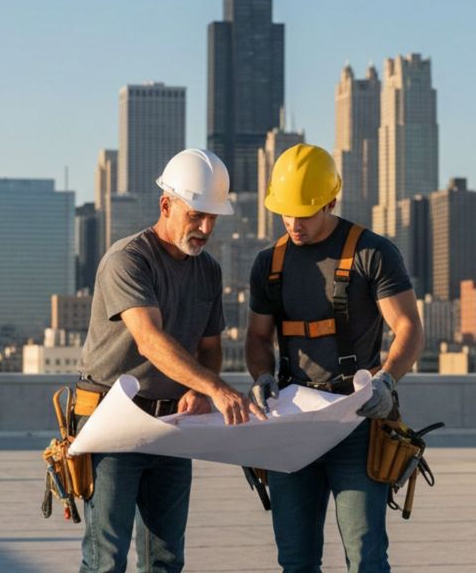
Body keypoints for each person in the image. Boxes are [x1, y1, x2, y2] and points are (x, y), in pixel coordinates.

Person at [76, 148, 265, 573]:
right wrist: (214, 388)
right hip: (112, 422)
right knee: (105, 560)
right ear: (166, 204)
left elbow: (210, 349)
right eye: (196, 215)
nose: (205, 228)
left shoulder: (208, 270)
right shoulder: (128, 259)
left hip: (173, 428)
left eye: (213, 218)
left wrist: (200, 389)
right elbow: (150, 341)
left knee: (166, 558)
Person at [245, 143, 424, 572]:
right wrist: (261, 375)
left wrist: (387, 381)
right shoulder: (269, 263)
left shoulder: (372, 253)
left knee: (366, 557)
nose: (293, 223)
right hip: (293, 423)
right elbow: (256, 335)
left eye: (303, 213)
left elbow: (410, 329)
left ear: (331, 200)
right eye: (285, 213)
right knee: (296, 559)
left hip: (356, 422)